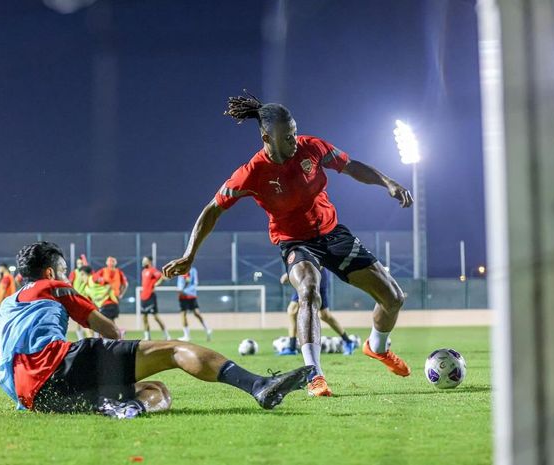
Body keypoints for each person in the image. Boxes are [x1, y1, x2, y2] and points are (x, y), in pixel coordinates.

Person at [163, 92, 413, 397]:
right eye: (288, 135)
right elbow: (212, 209)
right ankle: (314, 375)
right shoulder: (251, 173)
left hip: (333, 234)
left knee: (394, 298)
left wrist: (388, 182)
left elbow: (352, 166)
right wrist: (190, 255)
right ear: (267, 137)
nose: (295, 139)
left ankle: (377, 347)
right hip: (294, 242)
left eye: (294, 131)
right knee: (308, 290)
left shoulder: (312, 147)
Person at [0, 241, 314, 418]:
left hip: (40, 401)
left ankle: (128, 407)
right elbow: (110, 332)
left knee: (156, 391)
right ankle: (257, 386)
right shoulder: (54, 287)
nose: (66, 276)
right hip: (61, 367)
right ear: (51, 272)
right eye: (63, 270)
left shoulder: (2, 314)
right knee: (173, 350)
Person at [279, 268, 360, 355]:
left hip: (316, 276)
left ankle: (348, 342)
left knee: (323, 315)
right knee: (294, 311)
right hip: (304, 276)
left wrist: (289, 274)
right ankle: (292, 347)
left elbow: (316, 261)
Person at [177, 267, 212, 342]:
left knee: (183, 314)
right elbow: (195, 282)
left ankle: (187, 336)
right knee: (196, 313)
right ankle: (207, 329)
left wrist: (181, 289)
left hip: (184, 295)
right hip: (192, 294)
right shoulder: (193, 270)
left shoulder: (183, 269)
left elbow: (186, 280)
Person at [140, 256, 170, 341]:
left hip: (151, 296)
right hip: (143, 297)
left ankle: (166, 335)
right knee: (144, 317)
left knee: (156, 317)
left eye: (144, 260)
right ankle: (147, 336)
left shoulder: (153, 270)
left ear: (149, 261)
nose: (143, 262)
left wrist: (157, 284)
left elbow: (163, 277)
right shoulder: (143, 271)